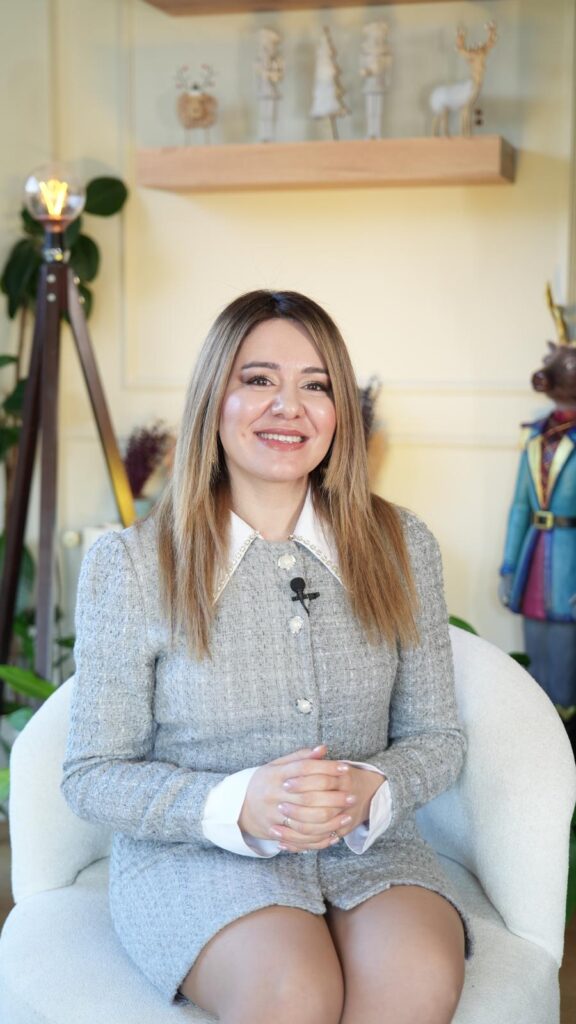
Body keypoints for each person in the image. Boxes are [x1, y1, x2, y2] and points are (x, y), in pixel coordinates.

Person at [61, 289, 470, 1024]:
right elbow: (91, 774)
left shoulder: (402, 545)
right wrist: (237, 804)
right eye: (258, 380)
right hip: (195, 853)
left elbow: (438, 738)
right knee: (291, 994)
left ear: (340, 413)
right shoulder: (132, 564)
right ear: (213, 400)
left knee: (417, 981)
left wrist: (370, 787)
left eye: (316, 385)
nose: (290, 407)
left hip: (368, 848)